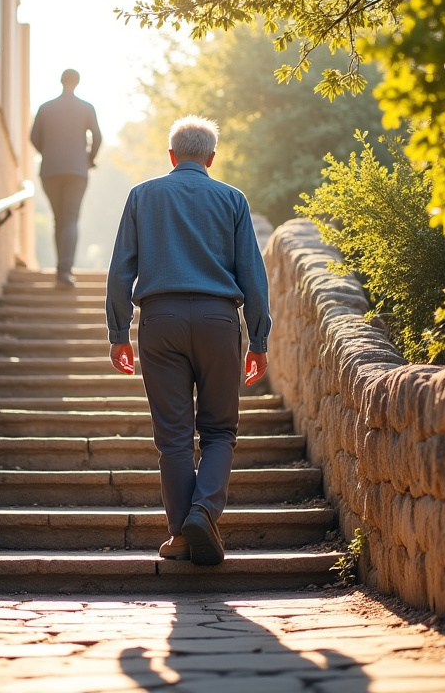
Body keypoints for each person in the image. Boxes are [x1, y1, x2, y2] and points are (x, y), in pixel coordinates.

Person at [104, 115, 271, 566]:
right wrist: (259, 337)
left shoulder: (142, 196)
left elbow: (121, 269)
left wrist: (119, 332)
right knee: (219, 430)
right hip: (219, 322)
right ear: (211, 158)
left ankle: (181, 534)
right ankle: (203, 512)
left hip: (160, 321)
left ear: (172, 155)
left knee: (174, 438)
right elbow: (253, 275)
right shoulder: (233, 200)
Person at [29, 69, 102, 287]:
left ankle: (61, 270)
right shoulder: (86, 107)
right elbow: (97, 137)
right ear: (77, 83)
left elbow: (33, 137)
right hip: (77, 170)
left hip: (50, 170)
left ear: (61, 81)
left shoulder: (45, 108)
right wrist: (89, 158)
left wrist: (48, 153)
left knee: (58, 220)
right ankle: (64, 271)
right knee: (70, 219)